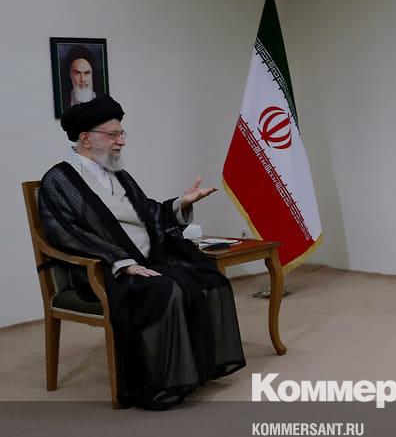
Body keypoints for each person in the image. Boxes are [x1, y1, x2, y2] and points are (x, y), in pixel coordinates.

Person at [38, 96, 246, 410]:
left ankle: (200, 367)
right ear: (86, 138)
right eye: (113, 135)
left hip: (147, 259)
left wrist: (181, 204)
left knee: (210, 279)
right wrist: (121, 262)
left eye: (122, 133)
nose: (121, 141)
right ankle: (163, 381)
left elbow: (149, 211)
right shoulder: (59, 180)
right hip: (102, 271)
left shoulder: (117, 174)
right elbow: (65, 233)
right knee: (166, 289)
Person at [63, 46, 100, 111]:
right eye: (77, 73)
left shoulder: (103, 101)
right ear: (70, 74)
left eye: (87, 73)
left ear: (92, 74)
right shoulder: (63, 101)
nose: (82, 79)